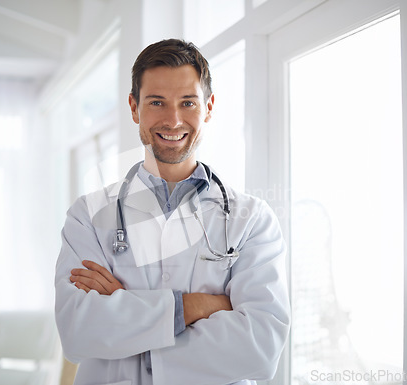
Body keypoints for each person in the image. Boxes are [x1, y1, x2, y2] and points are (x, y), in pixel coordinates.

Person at [55, 38, 290, 385]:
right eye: (156, 102)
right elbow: (77, 332)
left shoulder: (253, 220)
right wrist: (198, 306)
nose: (173, 119)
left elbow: (261, 347)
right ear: (134, 108)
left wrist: (124, 313)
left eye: (188, 102)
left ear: (208, 107)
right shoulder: (87, 216)